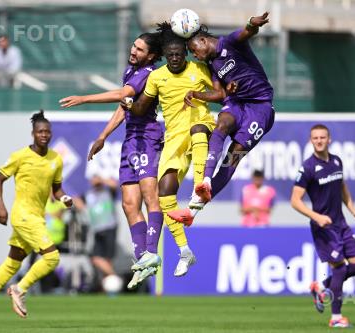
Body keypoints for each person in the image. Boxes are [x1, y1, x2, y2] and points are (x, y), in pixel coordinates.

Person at [59, 33, 164, 288]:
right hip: (131, 139)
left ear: (150, 55)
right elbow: (123, 106)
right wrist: (103, 135)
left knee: (150, 196)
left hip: (147, 138)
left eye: (140, 49)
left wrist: (84, 99)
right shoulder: (131, 70)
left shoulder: (147, 73)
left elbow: (121, 95)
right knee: (129, 204)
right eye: (134, 45)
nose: (133, 50)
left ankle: (151, 251)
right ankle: (142, 259)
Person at [123, 22, 226, 276]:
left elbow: (220, 94)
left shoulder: (199, 68)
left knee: (198, 129)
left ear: (185, 53)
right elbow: (142, 106)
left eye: (180, 54)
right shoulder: (157, 77)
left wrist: (200, 96)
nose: (176, 58)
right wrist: (128, 104)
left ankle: (201, 186)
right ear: (166, 56)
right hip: (173, 139)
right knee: (165, 194)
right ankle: (184, 251)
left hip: (200, 125)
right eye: (171, 55)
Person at [168, 12, 275, 226]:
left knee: (233, 157)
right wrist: (197, 94)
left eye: (193, 50)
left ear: (203, 40)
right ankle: (205, 181)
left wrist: (251, 24)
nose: (194, 56)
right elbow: (220, 95)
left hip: (260, 107)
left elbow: (247, 32)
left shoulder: (230, 43)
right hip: (236, 103)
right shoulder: (212, 64)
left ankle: (192, 212)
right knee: (222, 124)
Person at [0, 111, 73, 329]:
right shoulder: (20, 156)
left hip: (37, 216)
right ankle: (19, 288)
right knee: (52, 258)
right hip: (22, 215)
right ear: (33, 134)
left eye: (47, 131)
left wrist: (63, 197)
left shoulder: (56, 159)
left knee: (11, 263)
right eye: (40, 132)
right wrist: (0, 206)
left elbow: (56, 189)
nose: (44, 135)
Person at [290, 124, 355, 328]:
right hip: (324, 228)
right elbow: (295, 200)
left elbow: (343, 188)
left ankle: (322, 288)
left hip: (341, 223)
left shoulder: (336, 161)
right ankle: (336, 318)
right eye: (315, 138)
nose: (319, 141)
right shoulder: (307, 167)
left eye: (322, 137)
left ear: (329, 139)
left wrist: (353, 209)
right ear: (310, 141)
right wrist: (317, 217)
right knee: (340, 268)